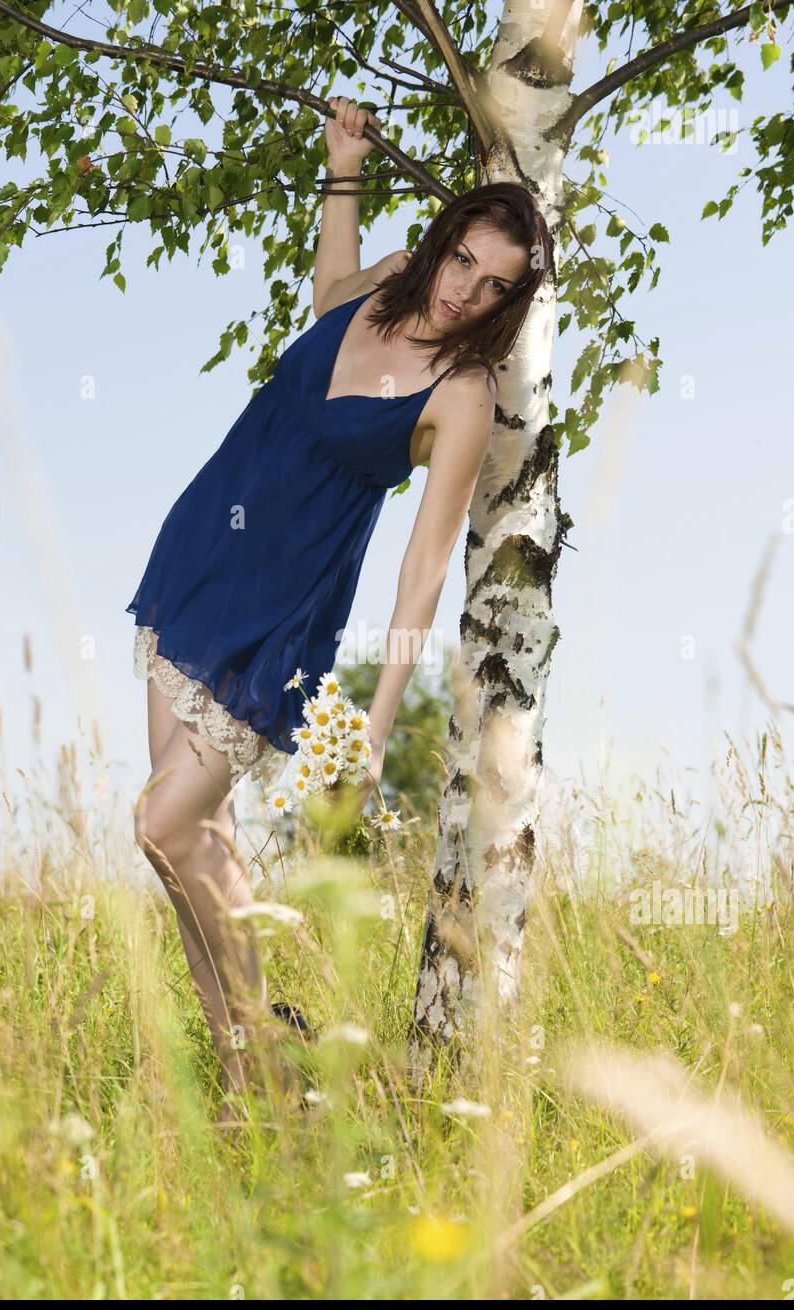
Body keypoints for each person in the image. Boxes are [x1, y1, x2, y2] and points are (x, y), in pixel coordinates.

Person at [126, 95, 553, 1119]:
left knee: (158, 825)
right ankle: (245, 1090)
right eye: (463, 262)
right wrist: (342, 165)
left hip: (278, 613)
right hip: (198, 552)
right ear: (444, 242)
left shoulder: (462, 391)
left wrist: (374, 718)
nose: (466, 292)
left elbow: (420, 567)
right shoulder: (380, 286)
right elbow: (327, 289)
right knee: (194, 845)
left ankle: (268, 1047)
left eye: (494, 286)